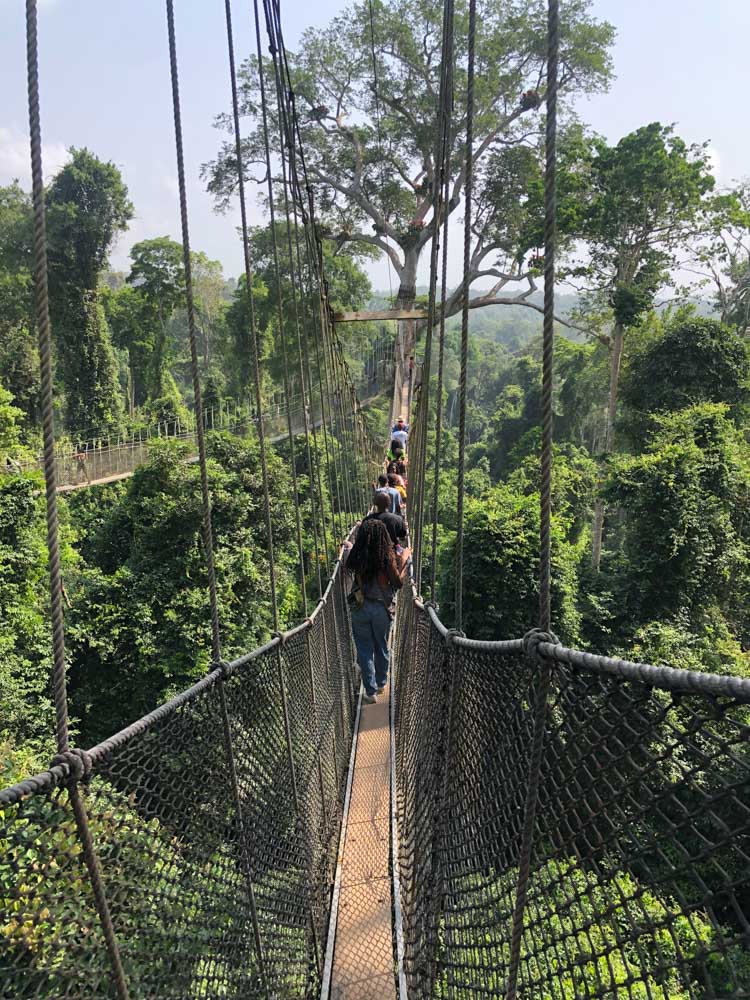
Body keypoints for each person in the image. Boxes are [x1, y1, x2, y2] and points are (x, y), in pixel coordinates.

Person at [343, 519, 410, 703]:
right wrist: (403, 561)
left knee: (364, 649)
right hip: (382, 608)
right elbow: (398, 583)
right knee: (381, 646)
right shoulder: (386, 557)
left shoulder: (355, 556)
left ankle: (370, 692)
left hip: (360, 608)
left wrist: (348, 546)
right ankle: (381, 683)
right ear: (384, 537)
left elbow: (346, 556)